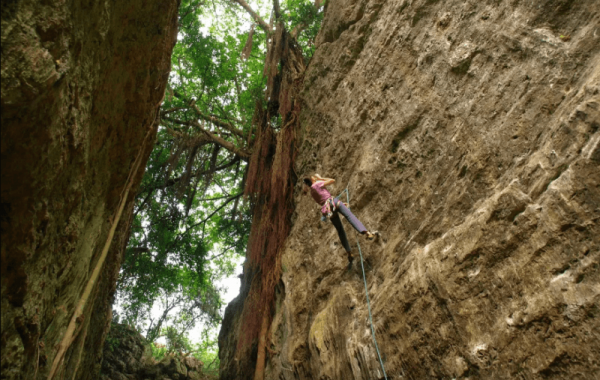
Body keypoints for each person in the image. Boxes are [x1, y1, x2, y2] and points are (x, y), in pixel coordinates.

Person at [303, 174, 377, 268]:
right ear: (312, 180)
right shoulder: (317, 184)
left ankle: (349, 253)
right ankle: (367, 233)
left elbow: (323, 198)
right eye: (314, 177)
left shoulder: (312, 193)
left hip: (328, 209)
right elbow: (332, 180)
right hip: (334, 203)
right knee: (350, 216)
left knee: (340, 230)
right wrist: (321, 178)